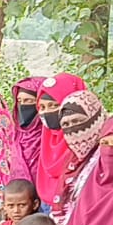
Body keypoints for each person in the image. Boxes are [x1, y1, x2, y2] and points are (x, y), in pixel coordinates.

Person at [48, 90, 106, 225]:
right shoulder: (71, 160)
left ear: (96, 117)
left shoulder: (109, 155)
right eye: (66, 125)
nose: (74, 130)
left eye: (78, 121)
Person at [34, 73, 87, 210]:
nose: (47, 112)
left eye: (53, 105)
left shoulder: (86, 143)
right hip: (47, 209)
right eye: (42, 107)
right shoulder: (47, 140)